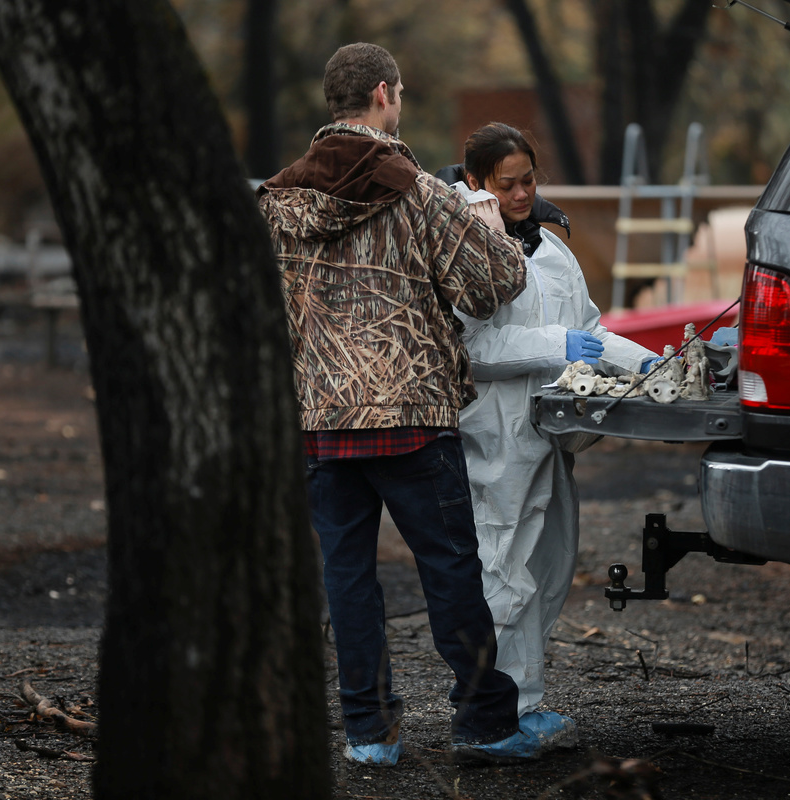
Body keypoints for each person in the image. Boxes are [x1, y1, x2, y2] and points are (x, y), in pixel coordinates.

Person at [257, 46, 541, 767]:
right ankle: (486, 723)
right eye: (402, 92)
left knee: (347, 576)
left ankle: (368, 734)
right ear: (384, 94)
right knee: (450, 569)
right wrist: (489, 226)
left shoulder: (276, 201)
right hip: (411, 415)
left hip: (320, 418)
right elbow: (494, 284)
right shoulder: (417, 190)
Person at [436, 123, 660, 749]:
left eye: (528, 180)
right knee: (502, 569)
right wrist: (553, 345)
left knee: (550, 563)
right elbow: (466, 348)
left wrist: (646, 363)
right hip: (497, 436)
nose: (520, 194)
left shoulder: (553, 251)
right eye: (506, 184)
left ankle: (523, 700)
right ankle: (493, 715)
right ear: (476, 182)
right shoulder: (465, 250)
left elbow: (590, 327)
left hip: (551, 434)